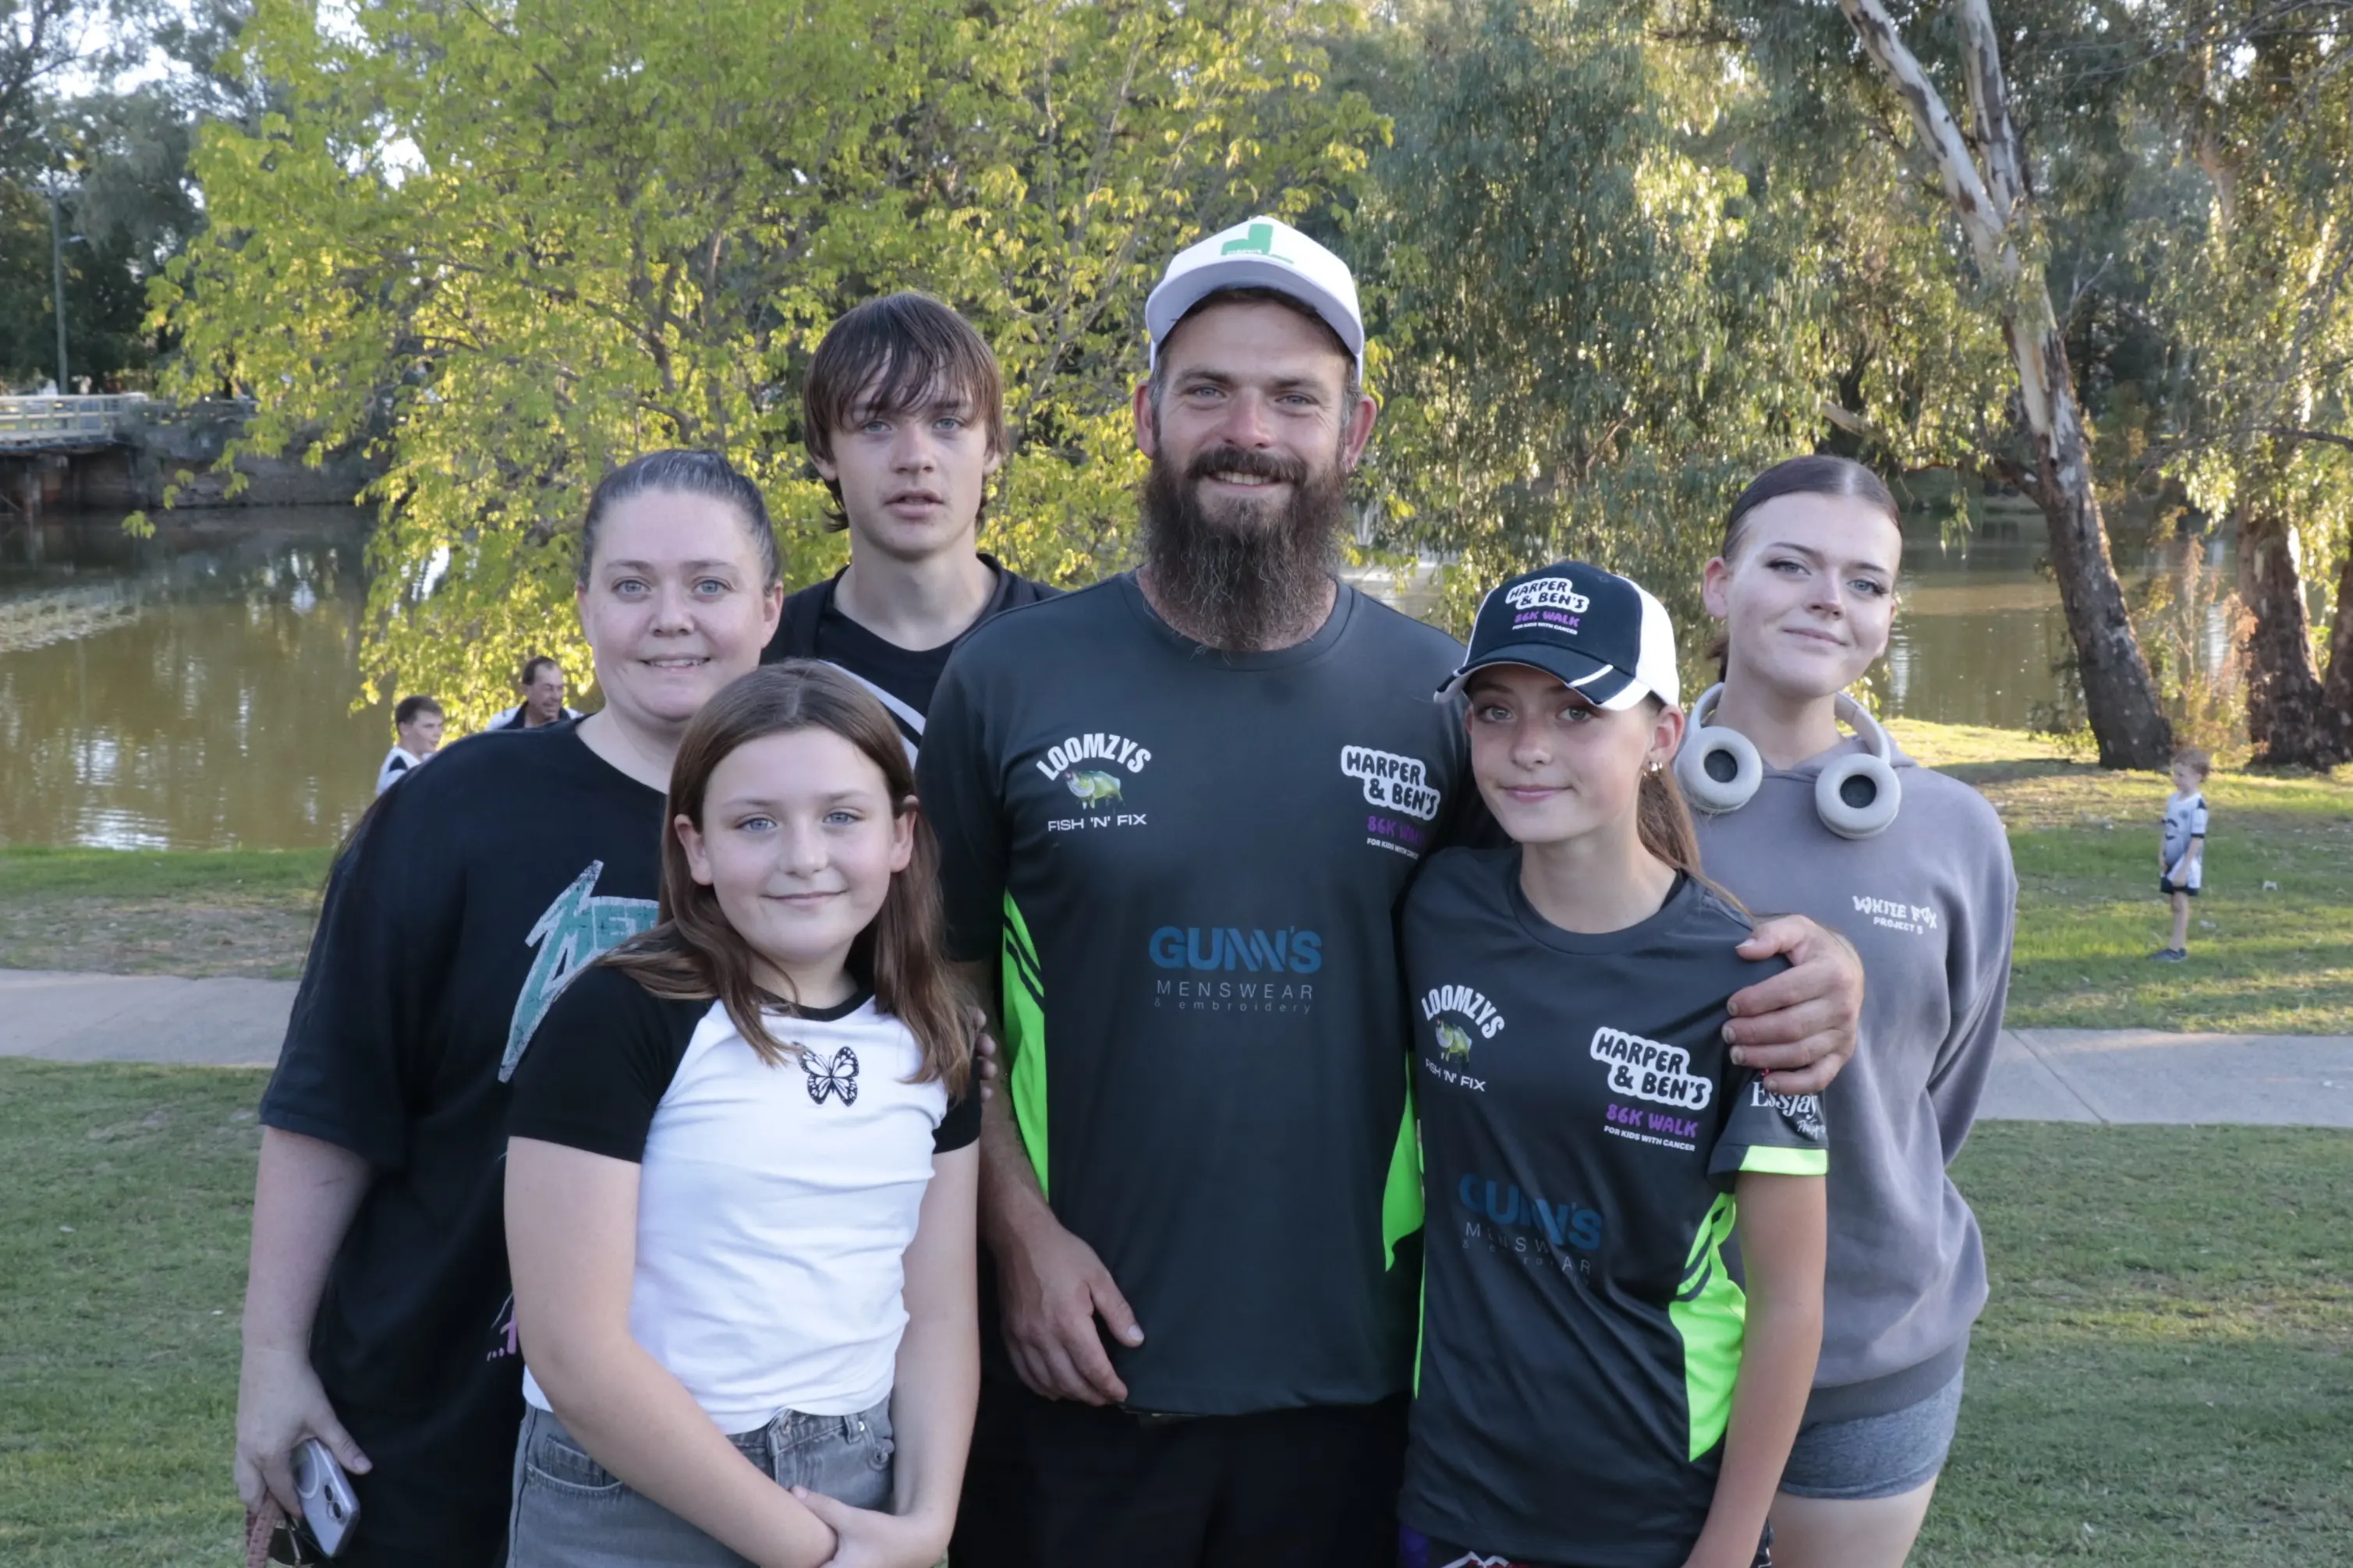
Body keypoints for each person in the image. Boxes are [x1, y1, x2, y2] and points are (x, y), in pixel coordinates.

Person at [917, 215, 1865, 1568]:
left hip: (1369, 1395)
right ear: (1145, 415)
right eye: (1208, 389)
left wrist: (1810, 961)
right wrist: (1015, 1233)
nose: (1250, 430)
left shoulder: (1440, 696)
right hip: (1080, 1368)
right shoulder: (1008, 679)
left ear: (1354, 430)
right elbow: (940, 980)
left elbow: (1592, 895)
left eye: (1294, 397)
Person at [235, 450, 786, 1566]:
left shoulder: (820, 839)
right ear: (583, 605)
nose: (670, 618)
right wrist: (272, 1355)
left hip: (724, 1432)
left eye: (710, 584)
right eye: (630, 585)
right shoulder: (453, 810)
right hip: (436, 1411)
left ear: (771, 608)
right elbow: (332, 1100)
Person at [1399, 561, 1827, 1568]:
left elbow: (1790, 1301)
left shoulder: (1749, 982)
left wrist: (1726, 1544)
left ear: (1663, 737)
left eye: (1578, 711)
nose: (1529, 746)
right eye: (1495, 710)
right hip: (1454, 1490)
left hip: (1651, 1510)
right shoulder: (1435, 906)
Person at [503, 663, 979, 1567]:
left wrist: (926, 1523)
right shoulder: (619, 1018)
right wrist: (808, 1551)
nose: (803, 856)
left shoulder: (932, 1035)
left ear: (900, 833)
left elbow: (941, 1313)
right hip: (632, 1496)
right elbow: (572, 1349)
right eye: (756, 823)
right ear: (696, 846)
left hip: (861, 1482)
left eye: (841, 816)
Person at [1676, 456, 2017, 1568]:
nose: (1830, 598)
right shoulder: (1613, 794)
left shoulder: (1956, 832)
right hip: (1642, 1340)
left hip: (1873, 1351)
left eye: (1864, 582)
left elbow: (1936, 1093)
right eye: (1790, 565)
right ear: (1719, 585)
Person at [764, 292, 1055, 755]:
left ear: (992, 446)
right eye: (876, 425)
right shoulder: (764, 659)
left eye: (948, 422)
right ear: (823, 451)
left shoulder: (1080, 650)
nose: (916, 458)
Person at [2153, 746, 2210, 962]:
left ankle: (2176, 949)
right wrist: (2162, 853)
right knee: (2174, 903)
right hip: (2171, 860)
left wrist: (2184, 869)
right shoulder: (2173, 800)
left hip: (2186, 863)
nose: (2176, 779)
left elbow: (2197, 839)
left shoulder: (2198, 806)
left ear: (2198, 777)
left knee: (2180, 903)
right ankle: (2176, 947)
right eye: (2175, 774)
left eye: (2181, 775)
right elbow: (2168, 828)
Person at [491, 655, 585, 729]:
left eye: (560, 688)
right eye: (548, 688)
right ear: (525, 690)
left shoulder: (580, 729)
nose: (556, 697)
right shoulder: (502, 731)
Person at [374, 695, 445, 794]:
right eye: (429, 726)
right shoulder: (398, 772)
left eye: (440, 726)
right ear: (405, 729)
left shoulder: (428, 757)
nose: (438, 733)